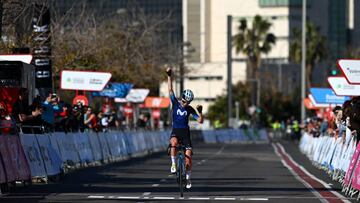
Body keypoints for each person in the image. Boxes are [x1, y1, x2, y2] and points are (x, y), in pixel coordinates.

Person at [166, 67, 203, 189]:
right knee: (173, 143)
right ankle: (173, 164)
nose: (184, 103)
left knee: (188, 159)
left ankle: (188, 178)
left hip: (185, 133)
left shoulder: (190, 109)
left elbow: (200, 121)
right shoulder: (176, 103)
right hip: (176, 131)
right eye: (183, 100)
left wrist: (200, 112)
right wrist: (169, 76)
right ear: (181, 98)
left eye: (186, 102)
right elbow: (170, 90)